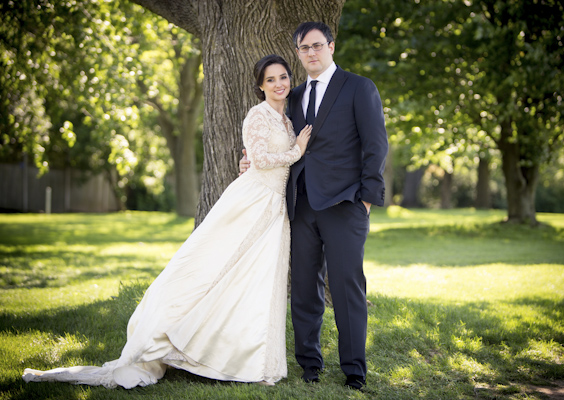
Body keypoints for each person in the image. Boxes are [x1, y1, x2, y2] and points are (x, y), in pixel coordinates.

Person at [22, 54, 311, 389]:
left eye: (283, 77)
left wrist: (290, 150)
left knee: (255, 280)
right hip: (251, 203)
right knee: (216, 267)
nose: (279, 84)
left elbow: (263, 160)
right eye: (271, 79)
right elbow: (259, 160)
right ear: (260, 86)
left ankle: (254, 361)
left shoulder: (288, 122)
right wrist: (297, 151)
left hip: (274, 210)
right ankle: (170, 336)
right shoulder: (256, 116)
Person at [240, 22, 388, 391]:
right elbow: (276, 141)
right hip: (301, 206)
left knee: (346, 287)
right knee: (305, 289)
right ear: (298, 53)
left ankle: (354, 369)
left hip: (345, 205)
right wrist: (249, 161)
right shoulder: (295, 95)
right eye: (304, 49)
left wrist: (367, 198)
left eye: (317, 46)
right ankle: (309, 364)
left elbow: (376, 145)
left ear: (331, 46)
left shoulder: (358, 87)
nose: (311, 53)